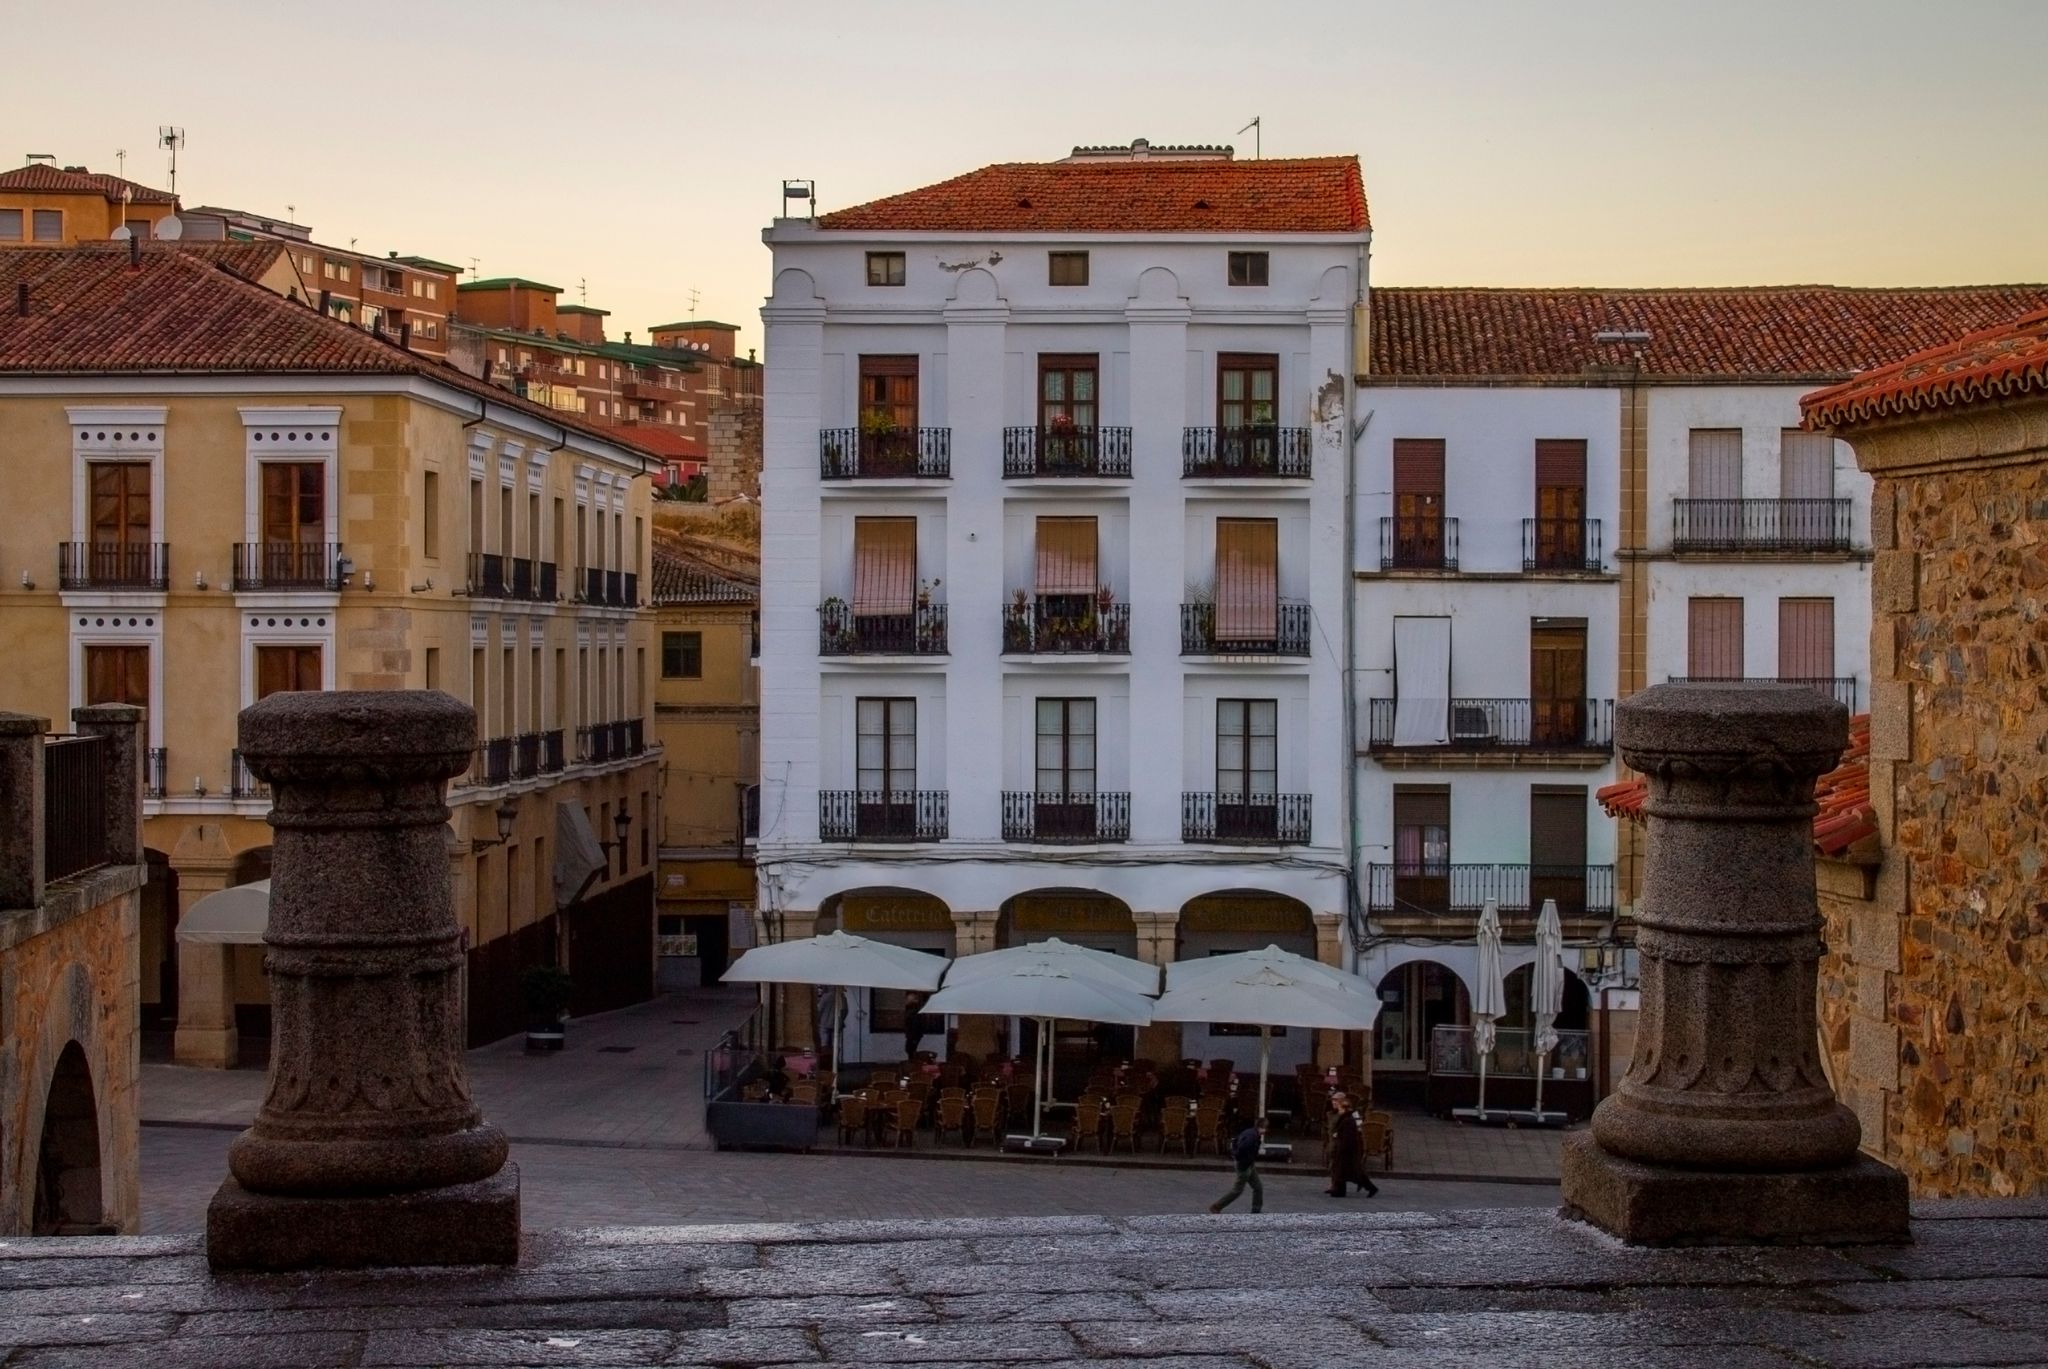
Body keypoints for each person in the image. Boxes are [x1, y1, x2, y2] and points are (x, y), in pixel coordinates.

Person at [1210, 1117, 1268, 1214]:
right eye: (1265, 1128)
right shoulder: (1252, 1136)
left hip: (1248, 1164)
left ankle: (1256, 1210)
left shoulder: (1249, 1132)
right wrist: (1243, 1160)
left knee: (1258, 1187)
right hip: (1244, 1165)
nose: (1265, 1131)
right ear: (1261, 1127)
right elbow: (1242, 1148)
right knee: (1237, 1190)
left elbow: (1236, 1142)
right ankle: (1217, 1206)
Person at [1326, 1092, 1379, 1198]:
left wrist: (1340, 1140)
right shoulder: (1334, 1115)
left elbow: (1354, 1131)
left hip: (1345, 1148)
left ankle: (1341, 1189)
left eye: (1336, 1101)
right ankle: (1337, 1188)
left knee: (1350, 1171)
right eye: (1333, 1100)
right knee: (1338, 1169)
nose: (1334, 1103)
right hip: (1337, 1145)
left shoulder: (1349, 1118)